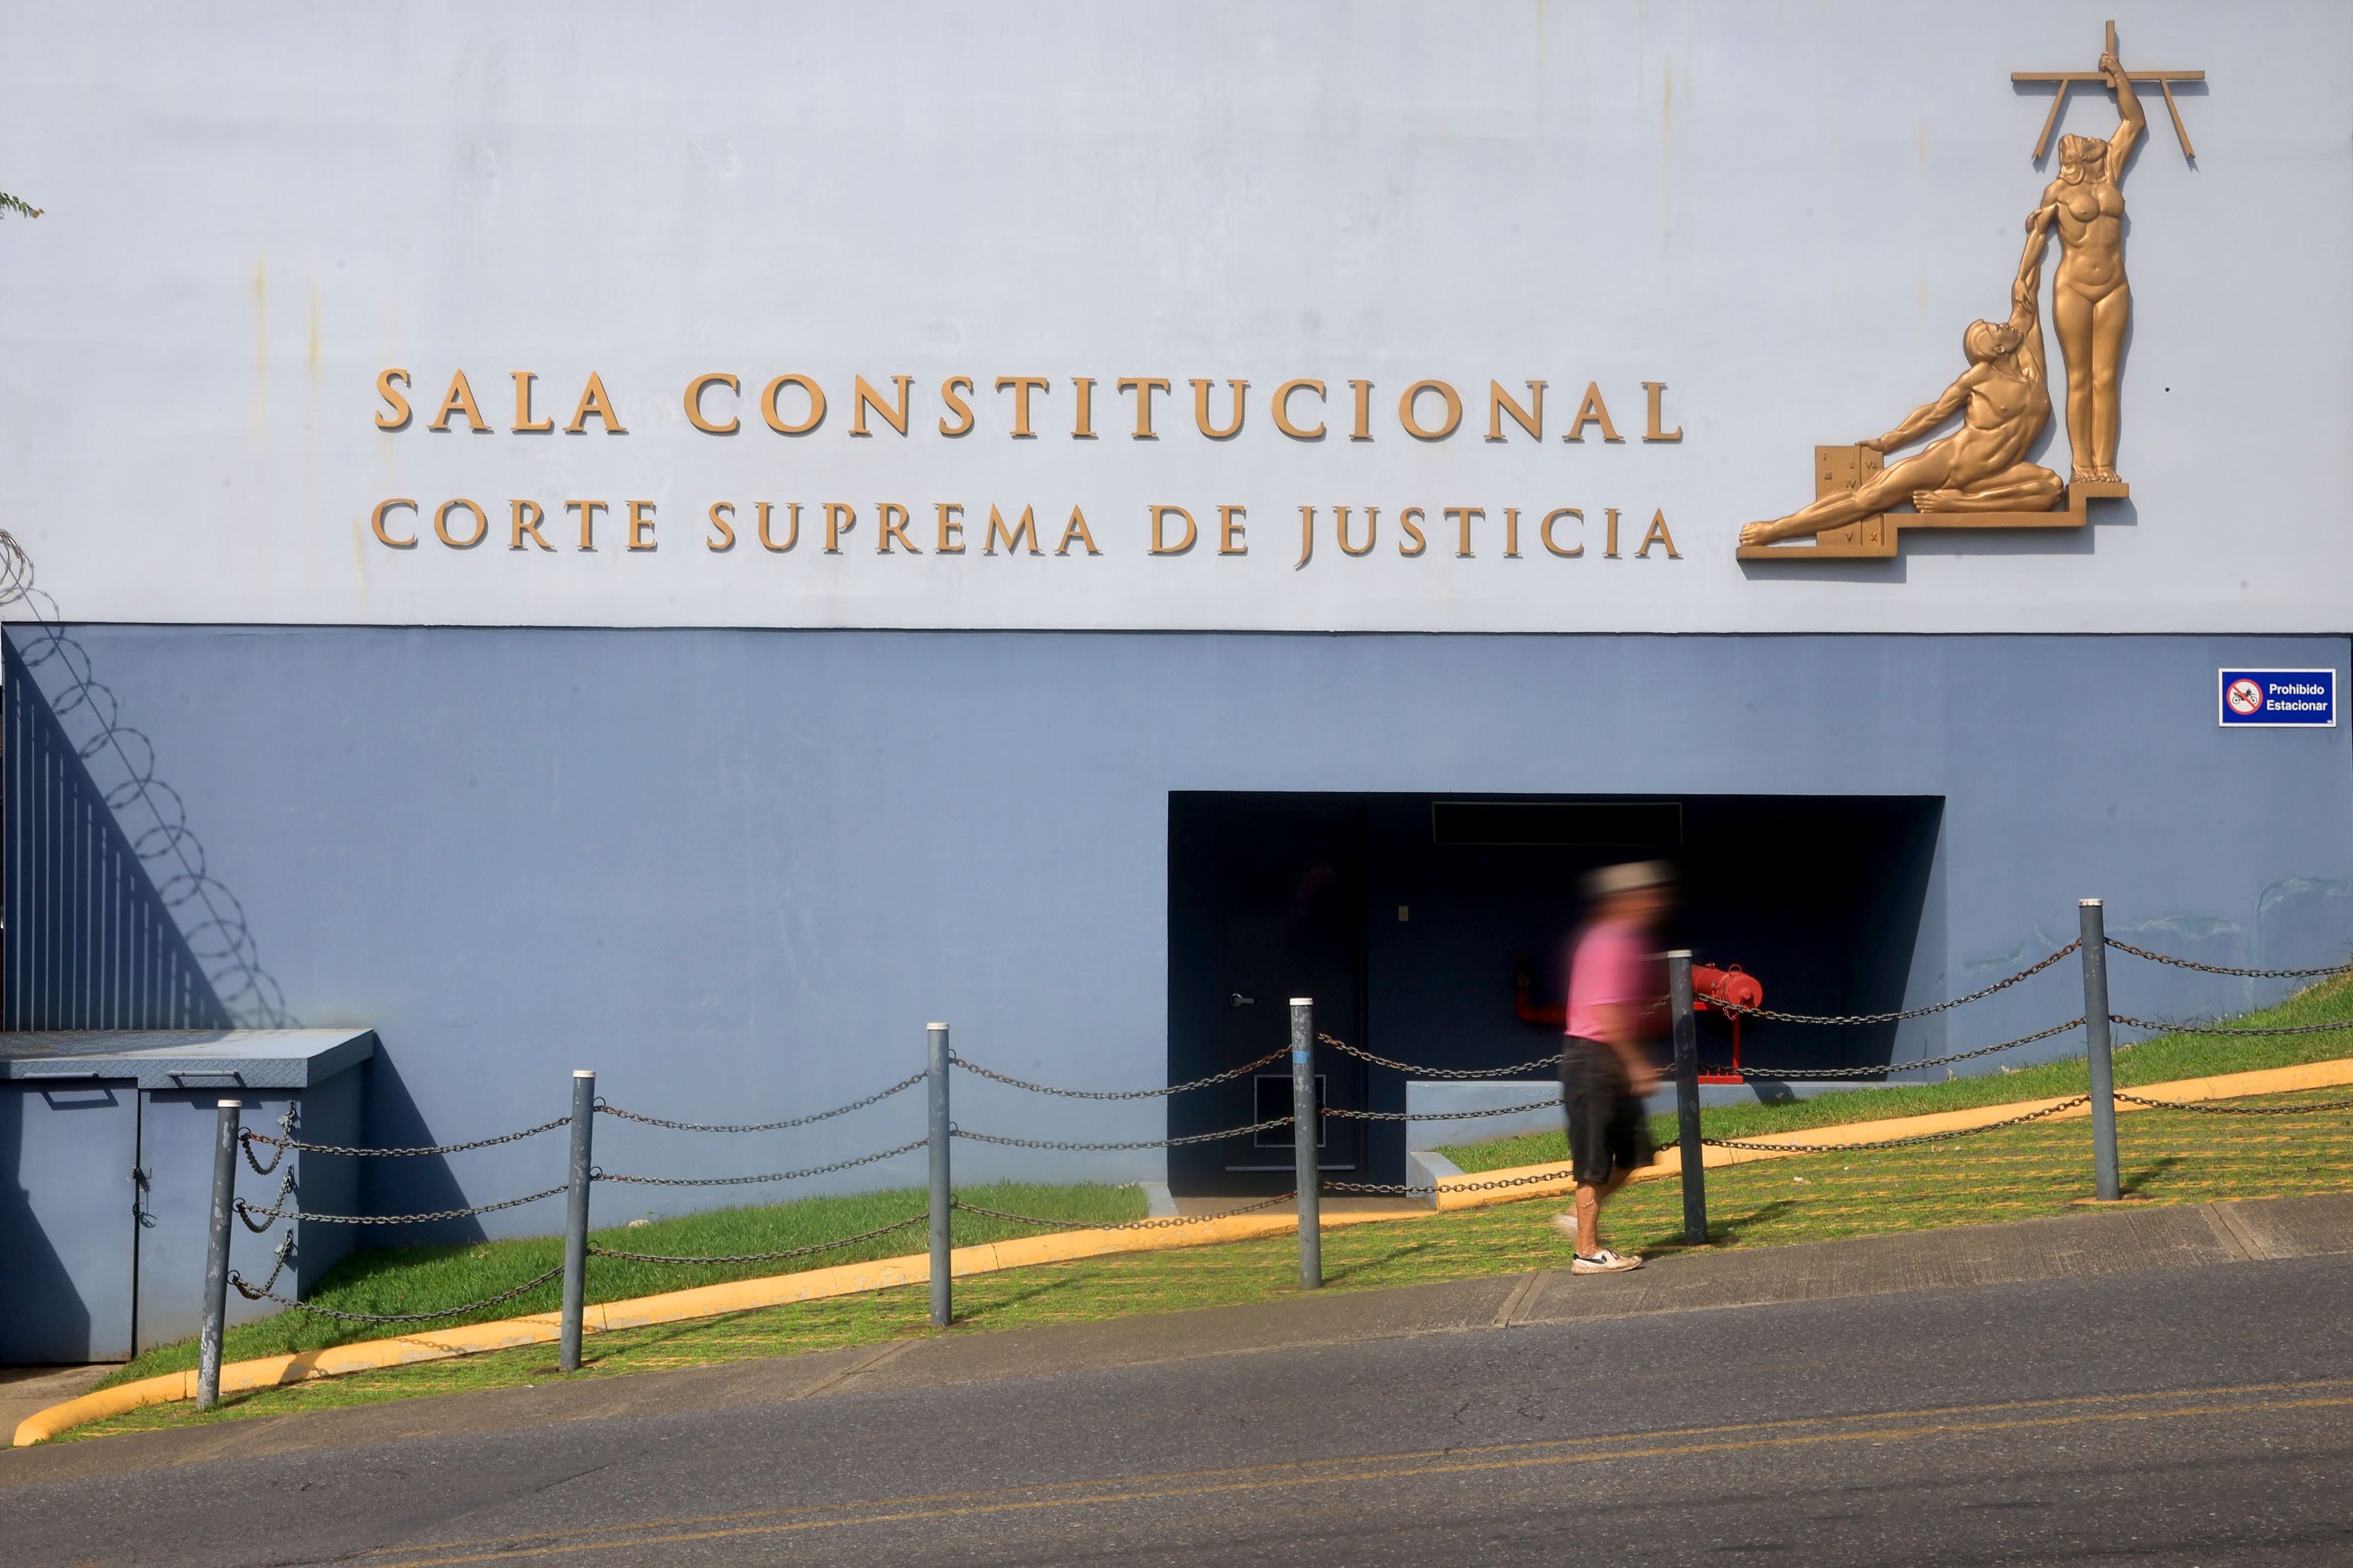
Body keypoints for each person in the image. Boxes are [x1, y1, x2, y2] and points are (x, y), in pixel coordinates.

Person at [1738, 212, 2061, 547]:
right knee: (1868, 498)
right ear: (1995, 349)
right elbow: (1936, 412)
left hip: (1993, 478)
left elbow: (2026, 287)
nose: (2003, 325)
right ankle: (1774, 530)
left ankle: (1956, 504)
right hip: (1951, 464)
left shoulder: (2031, 364)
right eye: (1994, 329)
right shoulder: (1978, 377)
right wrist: (1889, 442)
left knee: (2051, 488)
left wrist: (2035, 234)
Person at [1552, 861, 1673, 1273]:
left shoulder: (1627, 941)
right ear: (1626, 900)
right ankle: (1586, 1252)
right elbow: (1605, 1011)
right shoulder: (1608, 941)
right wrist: (1636, 1064)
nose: (1657, 901)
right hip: (1593, 1059)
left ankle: (1574, 1217)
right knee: (1594, 1159)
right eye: (1650, 894)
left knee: (1637, 1152)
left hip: (1608, 1059)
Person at [2032, 48, 2142, 484]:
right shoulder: (2057, 192)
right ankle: (2081, 466)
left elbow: (2134, 122)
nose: (2099, 145)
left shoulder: (2111, 174)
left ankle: (2106, 465)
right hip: (2073, 287)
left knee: (2106, 380)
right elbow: (2037, 241)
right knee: (2080, 379)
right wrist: (2024, 286)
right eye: (2090, 146)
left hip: (2114, 285)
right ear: (2075, 157)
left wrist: (2118, 73)